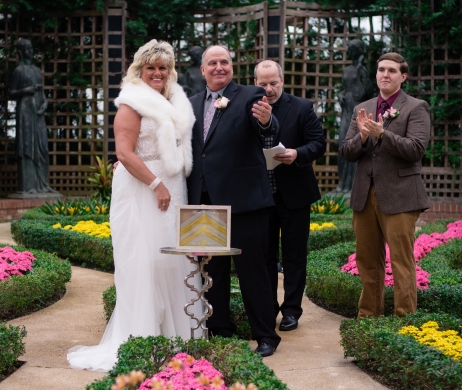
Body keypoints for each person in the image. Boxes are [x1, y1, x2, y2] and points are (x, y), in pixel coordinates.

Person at [67, 40, 200, 371]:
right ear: (139, 70)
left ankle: (176, 338)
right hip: (144, 189)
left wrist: (169, 184)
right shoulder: (131, 103)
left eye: (163, 67)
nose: (157, 73)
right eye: (151, 67)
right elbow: (125, 153)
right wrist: (155, 185)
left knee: (173, 261)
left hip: (173, 187)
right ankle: (143, 338)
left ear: (170, 71)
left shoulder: (173, 100)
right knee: (145, 263)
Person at [186, 45, 281, 357]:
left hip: (244, 201)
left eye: (224, 62)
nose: (218, 67)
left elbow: (265, 130)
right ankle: (221, 329)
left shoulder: (251, 95)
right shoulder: (191, 104)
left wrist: (268, 121)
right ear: (203, 70)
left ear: (232, 66)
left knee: (253, 272)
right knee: (213, 274)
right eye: (212, 63)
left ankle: (266, 336)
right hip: (204, 201)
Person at [340, 52, 430, 318]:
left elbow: (415, 149)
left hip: (400, 196)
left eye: (391, 70)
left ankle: (405, 321)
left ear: (403, 76)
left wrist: (383, 134)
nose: (385, 75)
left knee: (401, 262)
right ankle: (369, 319)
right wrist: (364, 138)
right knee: (367, 262)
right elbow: (346, 152)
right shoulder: (362, 108)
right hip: (364, 197)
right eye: (381, 70)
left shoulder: (416, 107)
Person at [255, 60, 326, 331]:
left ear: (282, 80)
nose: (269, 88)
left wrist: (298, 154)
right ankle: (269, 308)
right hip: (261, 196)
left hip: (294, 194)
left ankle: (292, 311)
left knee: (295, 256)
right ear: (256, 84)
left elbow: (318, 143)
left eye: (274, 82)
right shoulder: (248, 108)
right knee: (265, 257)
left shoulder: (301, 107)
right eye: (263, 84)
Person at [9, 39, 57, 194]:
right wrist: (25, 90)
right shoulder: (19, 71)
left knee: (42, 146)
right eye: (27, 49)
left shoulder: (37, 70)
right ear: (21, 51)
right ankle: (28, 186)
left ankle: (43, 184)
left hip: (38, 112)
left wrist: (45, 103)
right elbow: (11, 93)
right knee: (27, 146)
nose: (30, 51)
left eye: (31, 48)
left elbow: (42, 92)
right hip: (25, 112)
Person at [335, 39, 374, 195]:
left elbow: (368, 91)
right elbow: (346, 89)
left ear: (359, 51)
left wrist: (360, 68)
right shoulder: (346, 70)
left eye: (353, 49)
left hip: (359, 110)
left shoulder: (362, 69)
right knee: (342, 145)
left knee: (356, 145)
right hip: (346, 110)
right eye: (349, 48)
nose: (351, 51)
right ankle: (343, 184)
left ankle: (354, 186)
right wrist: (340, 95)